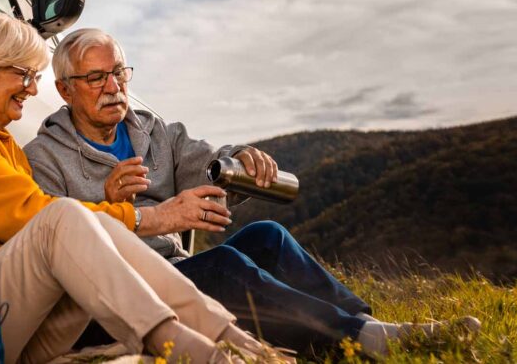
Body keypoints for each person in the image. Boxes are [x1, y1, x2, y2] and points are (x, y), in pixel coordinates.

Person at [24, 28, 481, 357]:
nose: (114, 87)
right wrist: (111, 206)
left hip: (175, 269)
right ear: (64, 90)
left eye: (120, 73)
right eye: (96, 78)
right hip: (110, 301)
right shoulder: (44, 156)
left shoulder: (152, 130)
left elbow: (205, 161)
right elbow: (52, 246)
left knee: (268, 235)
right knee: (224, 267)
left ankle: (371, 326)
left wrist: (241, 158)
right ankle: (358, 339)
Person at [0, 12, 275, 364]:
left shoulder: (1, 143)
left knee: (95, 225)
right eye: (23, 75)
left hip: (17, 321)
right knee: (63, 215)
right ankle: (190, 351)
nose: (29, 89)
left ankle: (238, 343)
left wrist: (115, 213)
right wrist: (153, 216)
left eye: (34, 78)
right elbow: (31, 219)